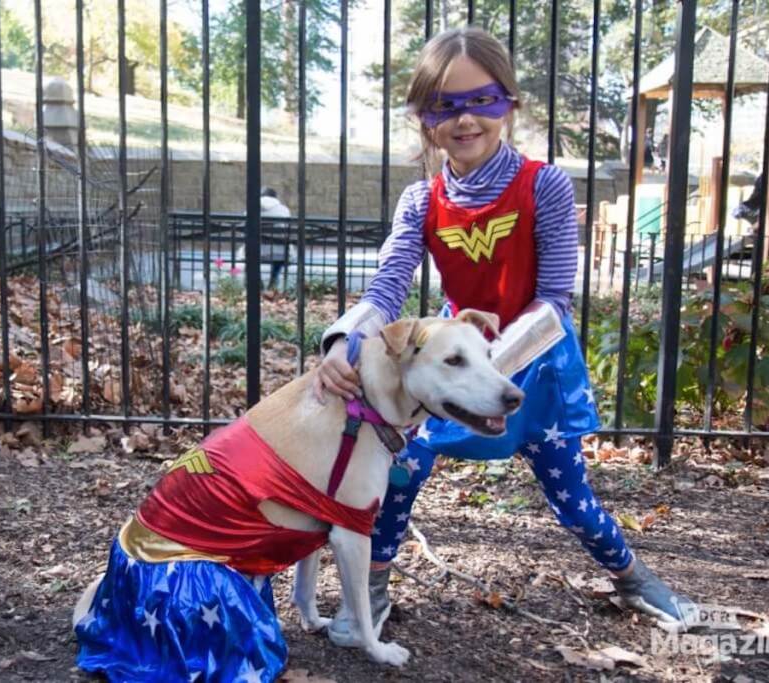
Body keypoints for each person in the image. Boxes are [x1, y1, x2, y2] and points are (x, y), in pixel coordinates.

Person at [312, 26, 696, 641]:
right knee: (401, 468)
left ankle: (630, 575)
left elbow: (555, 302)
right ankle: (372, 591)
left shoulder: (545, 185)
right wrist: (341, 342)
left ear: (509, 104)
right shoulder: (421, 201)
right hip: (452, 368)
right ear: (425, 119)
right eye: (445, 106)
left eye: (482, 101)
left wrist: (492, 361)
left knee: (569, 494)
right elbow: (387, 287)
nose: (466, 120)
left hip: (533, 364)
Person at [236, 186, 297, 289]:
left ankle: (257, 282)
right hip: (280, 252)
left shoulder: (251, 207)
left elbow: (243, 231)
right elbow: (288, 232)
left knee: (248, 255)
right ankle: (273, 281)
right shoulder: (284, 209)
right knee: (280, 254)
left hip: (255, 251)